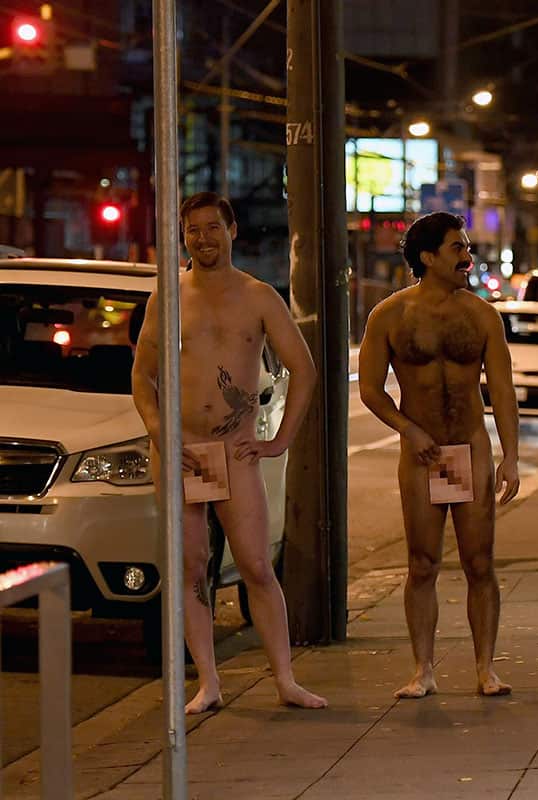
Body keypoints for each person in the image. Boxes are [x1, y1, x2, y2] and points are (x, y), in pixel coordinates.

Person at [131, 192, 327, 714]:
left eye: (212, 227)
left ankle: (285, 680)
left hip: (234, 450)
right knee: (192, 567)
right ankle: (208, 683)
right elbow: (142, 377)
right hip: (181, 451)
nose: (203, 238)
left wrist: (279, 440)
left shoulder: (259, 296)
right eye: (192, 229)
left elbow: (303, 371)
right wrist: (160, 434)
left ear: (232, 230)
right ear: (182, 235)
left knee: (257, 564)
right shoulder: (167, 296)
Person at [358, 211, 521, 698]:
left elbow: (503, 389)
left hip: (469, 447)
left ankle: (485, 668)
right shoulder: (389, 315)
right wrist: (408, 430)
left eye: (467, 247)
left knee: (479, 562)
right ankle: (422, 669)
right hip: (423, 455)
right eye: (457, 248)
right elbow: (370, 390)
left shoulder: (481, 315)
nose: (468, 257)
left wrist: (510, 456)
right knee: (422, 562)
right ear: (428, 257)